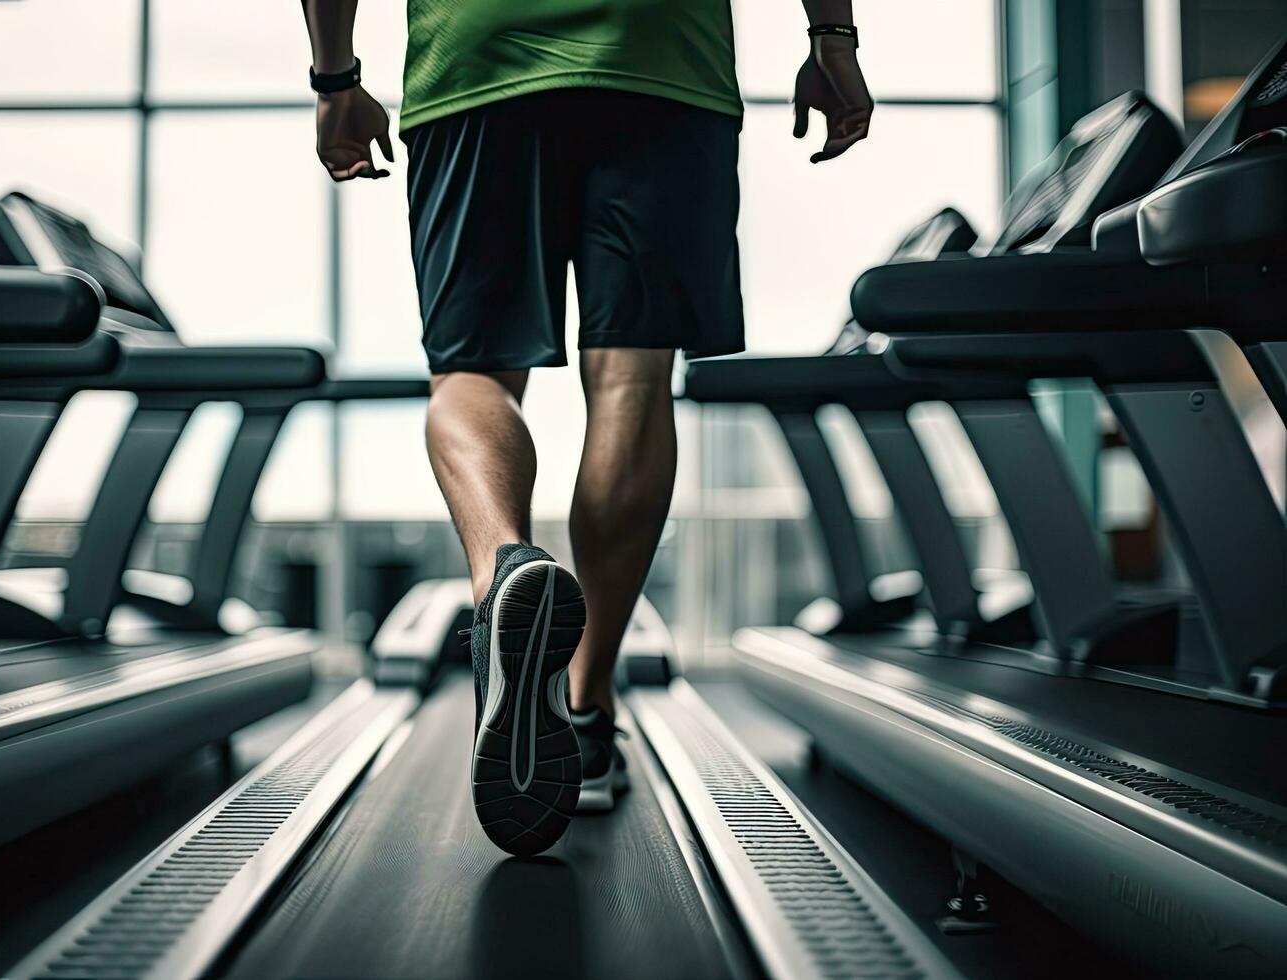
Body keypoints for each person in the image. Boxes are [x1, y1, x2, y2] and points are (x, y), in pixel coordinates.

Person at [300, 0, 872, 856]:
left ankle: (502, 573)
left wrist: (335, 77)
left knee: (472, 373)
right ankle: (586, 706)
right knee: (635, 381)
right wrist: (832, 37)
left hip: (476, 62)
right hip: (661, 62)